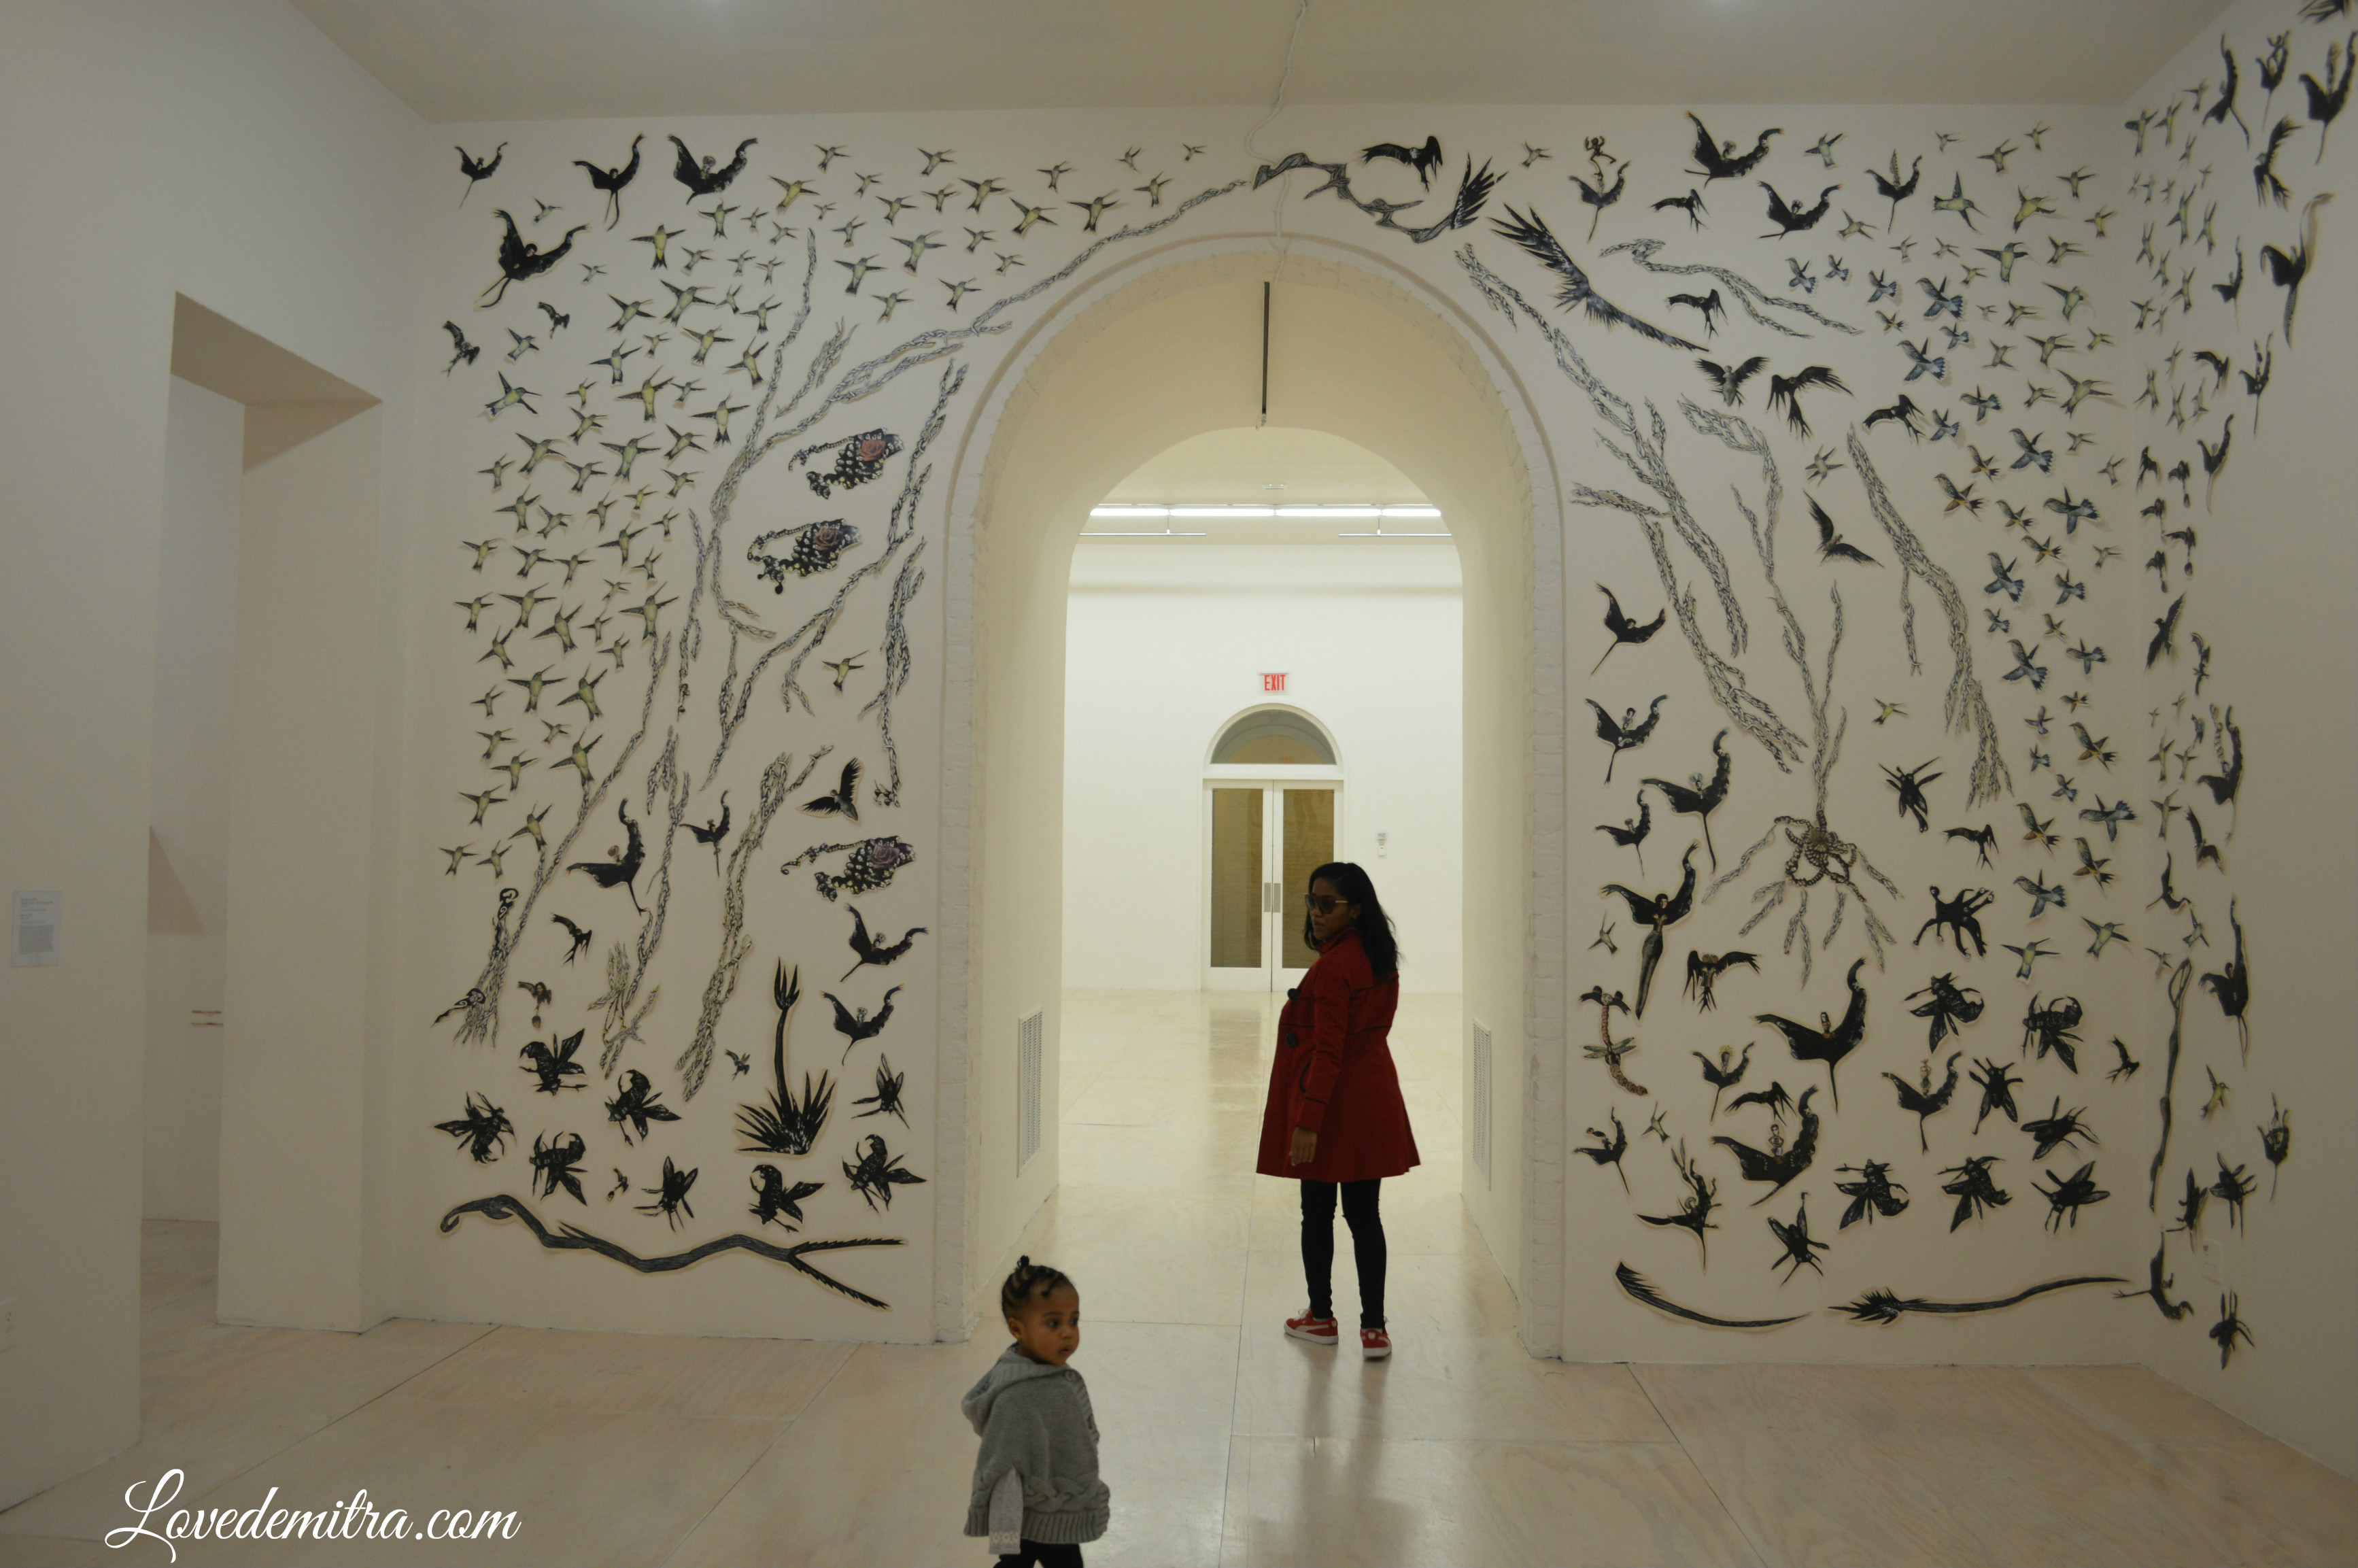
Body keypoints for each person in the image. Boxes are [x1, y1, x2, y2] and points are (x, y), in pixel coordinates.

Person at [1254, 862, 1419, 1360]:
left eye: (1328, 904)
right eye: (1312, 901)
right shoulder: (1379, 957)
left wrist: (1308, 1122)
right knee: (1365, 1216)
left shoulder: (1332, 969)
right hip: (1372, 1098)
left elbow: (1328, 1052)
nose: (1316, 911)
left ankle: (1321, 1318)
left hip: (1331, 1106)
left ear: (1356, 909)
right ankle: (1375, 1330)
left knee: (1318, 1211)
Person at [961, 1257, 1110, 1566]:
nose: (1068, 1333)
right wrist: (1004, 1532)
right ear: (1018, 1329)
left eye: (1074, 1320)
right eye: (1054, 1323)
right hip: (1030, 1515)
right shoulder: (1017, 1397)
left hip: (1057, 1508)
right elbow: (1000, 1464)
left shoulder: (1052, 1377)